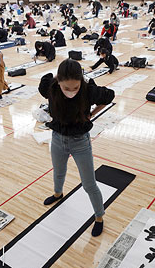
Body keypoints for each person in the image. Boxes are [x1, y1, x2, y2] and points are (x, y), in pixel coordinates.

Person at [37, 59, 115, 237]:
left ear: (81, 82)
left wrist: (91, 114)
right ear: (59, 82)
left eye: (75, 88)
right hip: (57, 139)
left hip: (80, 142)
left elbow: (109, 97)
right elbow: (44, 89)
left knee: (89, 184)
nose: (71, 92)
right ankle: (58, 194)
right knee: (58, 172)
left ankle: (99, 217)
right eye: (66, 88)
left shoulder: (89, 91)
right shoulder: (50, 87)